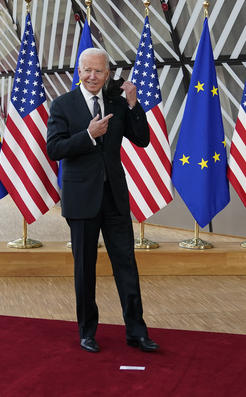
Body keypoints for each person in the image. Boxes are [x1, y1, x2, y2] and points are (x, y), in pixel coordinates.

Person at [46, 47, 158, 353]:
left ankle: (136, 331)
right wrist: (88, 134)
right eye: (87, 70)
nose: (93, 76)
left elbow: (142, 139)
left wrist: (134, 105)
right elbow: (54, 149)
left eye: (99, 71)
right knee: (85, 267)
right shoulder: (62, 105)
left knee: (126, 265)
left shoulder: (119, 104)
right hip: (81, 199)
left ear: (108, 74)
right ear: (78, 72)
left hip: (115, 198)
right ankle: (87, 332)